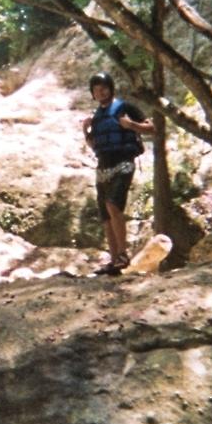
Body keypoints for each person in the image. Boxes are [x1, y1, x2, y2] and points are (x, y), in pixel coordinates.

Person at [82, 71, 154, 275]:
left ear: (111, 88)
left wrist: (131, 125)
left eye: (103, 88)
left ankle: (123, 254)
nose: (100, 92)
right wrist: (85, 130)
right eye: (96, 90)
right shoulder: (96, 117)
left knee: (113, 204)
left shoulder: (125, 107)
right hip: (103, 166)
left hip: (124, 162)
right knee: (105, 213)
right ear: (93, 94)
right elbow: (92, 144)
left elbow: (152, 128)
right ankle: (114, 260)